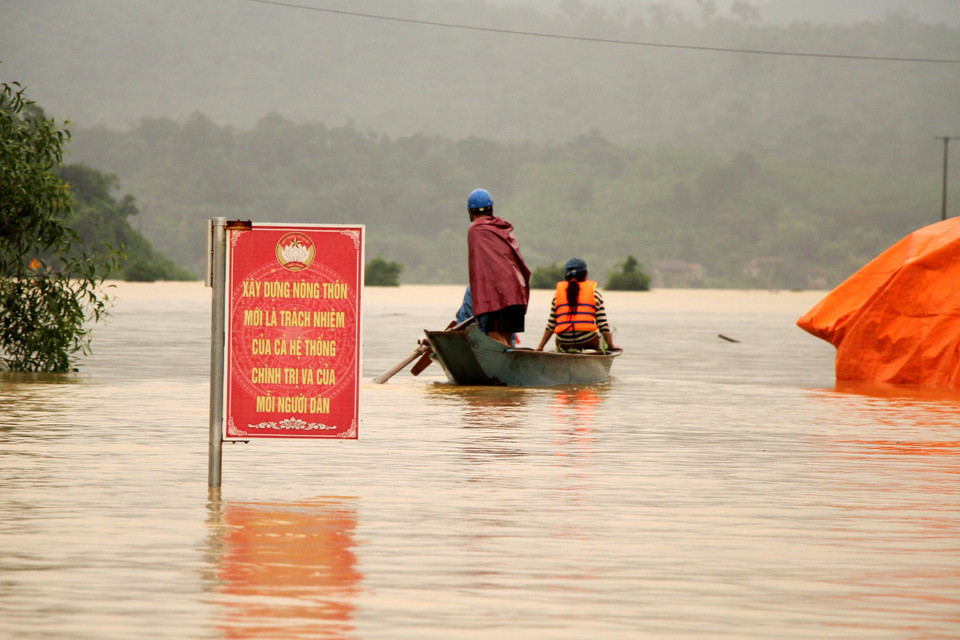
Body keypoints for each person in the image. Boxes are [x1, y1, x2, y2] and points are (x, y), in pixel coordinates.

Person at [466, 188, 531, 346]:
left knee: (495, 335)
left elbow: (479, 269)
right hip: (516, 292)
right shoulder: (502, 228)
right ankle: (511, 366)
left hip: (498, 295)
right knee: (507, 337)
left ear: (470, 212)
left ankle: (505, 368)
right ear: (491, 209)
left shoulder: (475, 229)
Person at [535, 257, 617, 353]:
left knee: (562, 341)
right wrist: (611, 346)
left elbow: (551, 325)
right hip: (587, 342)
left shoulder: (556, 296)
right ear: (585, 275)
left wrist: (540, 346)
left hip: (563, 343)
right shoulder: (595, 295)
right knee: (596, 337)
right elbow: (602, 324)